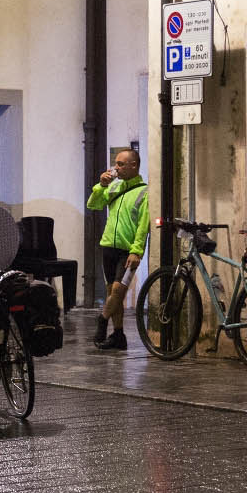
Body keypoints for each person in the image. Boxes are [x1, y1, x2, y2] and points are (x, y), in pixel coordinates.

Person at [85, 147, 150, 351]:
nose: (116, 168)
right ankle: (119, 335)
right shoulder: (115, 186)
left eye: (121, 164)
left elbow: (144, 225)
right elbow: (93, 205)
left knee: (117, 290)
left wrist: (137, 250)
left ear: (134, 165)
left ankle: (102, 320)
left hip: (127, 250)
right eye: (116, 164)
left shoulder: (144, 192)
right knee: (113, 293)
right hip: (108, 247)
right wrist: (101, 186)